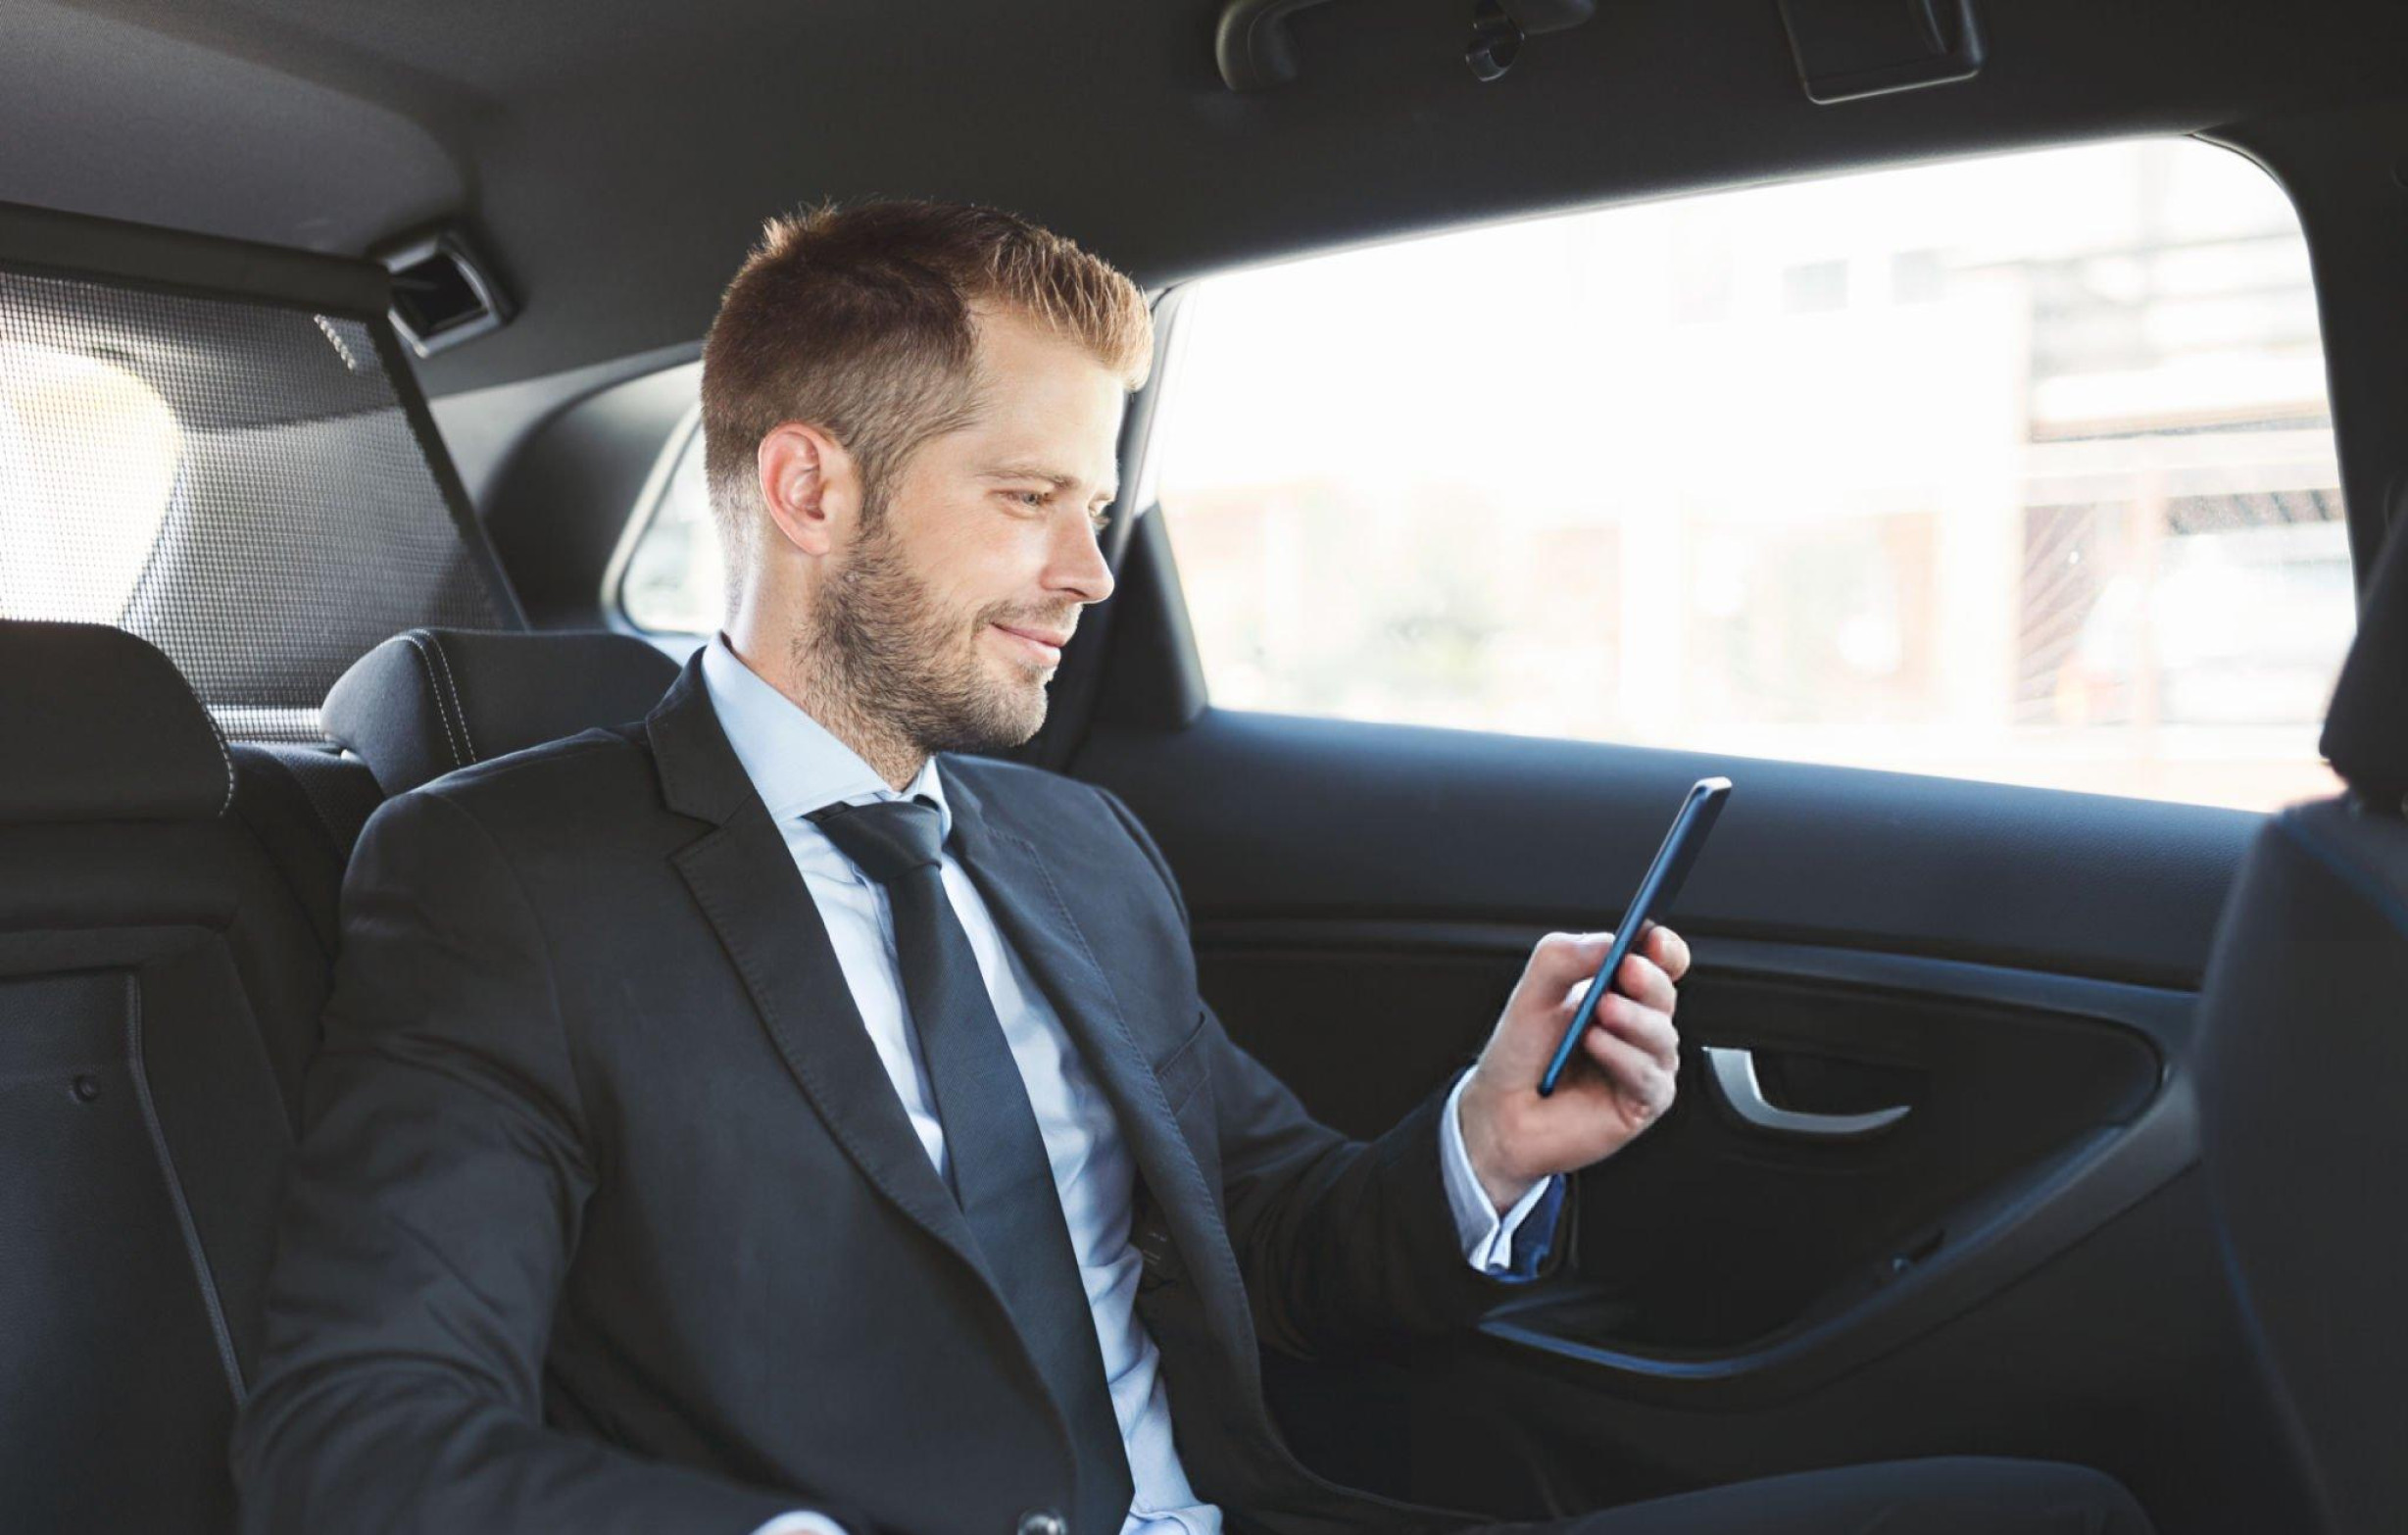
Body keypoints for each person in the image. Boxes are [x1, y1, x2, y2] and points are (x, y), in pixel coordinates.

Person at [230, 198, 2153, 1535]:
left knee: (2053, 1512)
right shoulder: (502, 881)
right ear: (810, 488)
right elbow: (361, 1437)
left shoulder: (1073, 849)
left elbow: (1282, 1241)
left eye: (1097, 506)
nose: (1088, 572)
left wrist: (1484, 1148)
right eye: (1027, 500)